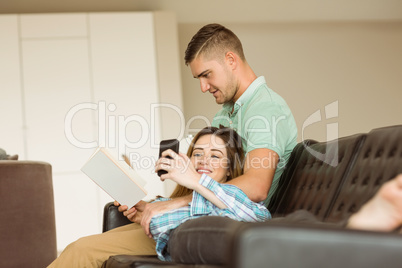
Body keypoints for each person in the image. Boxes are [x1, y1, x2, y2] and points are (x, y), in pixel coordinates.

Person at [48, 126, 270, 267]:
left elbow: (253, 216)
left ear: (230, 168)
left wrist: (195, 180)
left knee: (82, 250)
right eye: (198, 154)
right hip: (152, 232)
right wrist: (143, 211)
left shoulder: (236, 200)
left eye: (215, 156)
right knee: (77, 247)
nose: (203, 161)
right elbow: (170, 210)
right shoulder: (189, 196)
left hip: (167, 240)